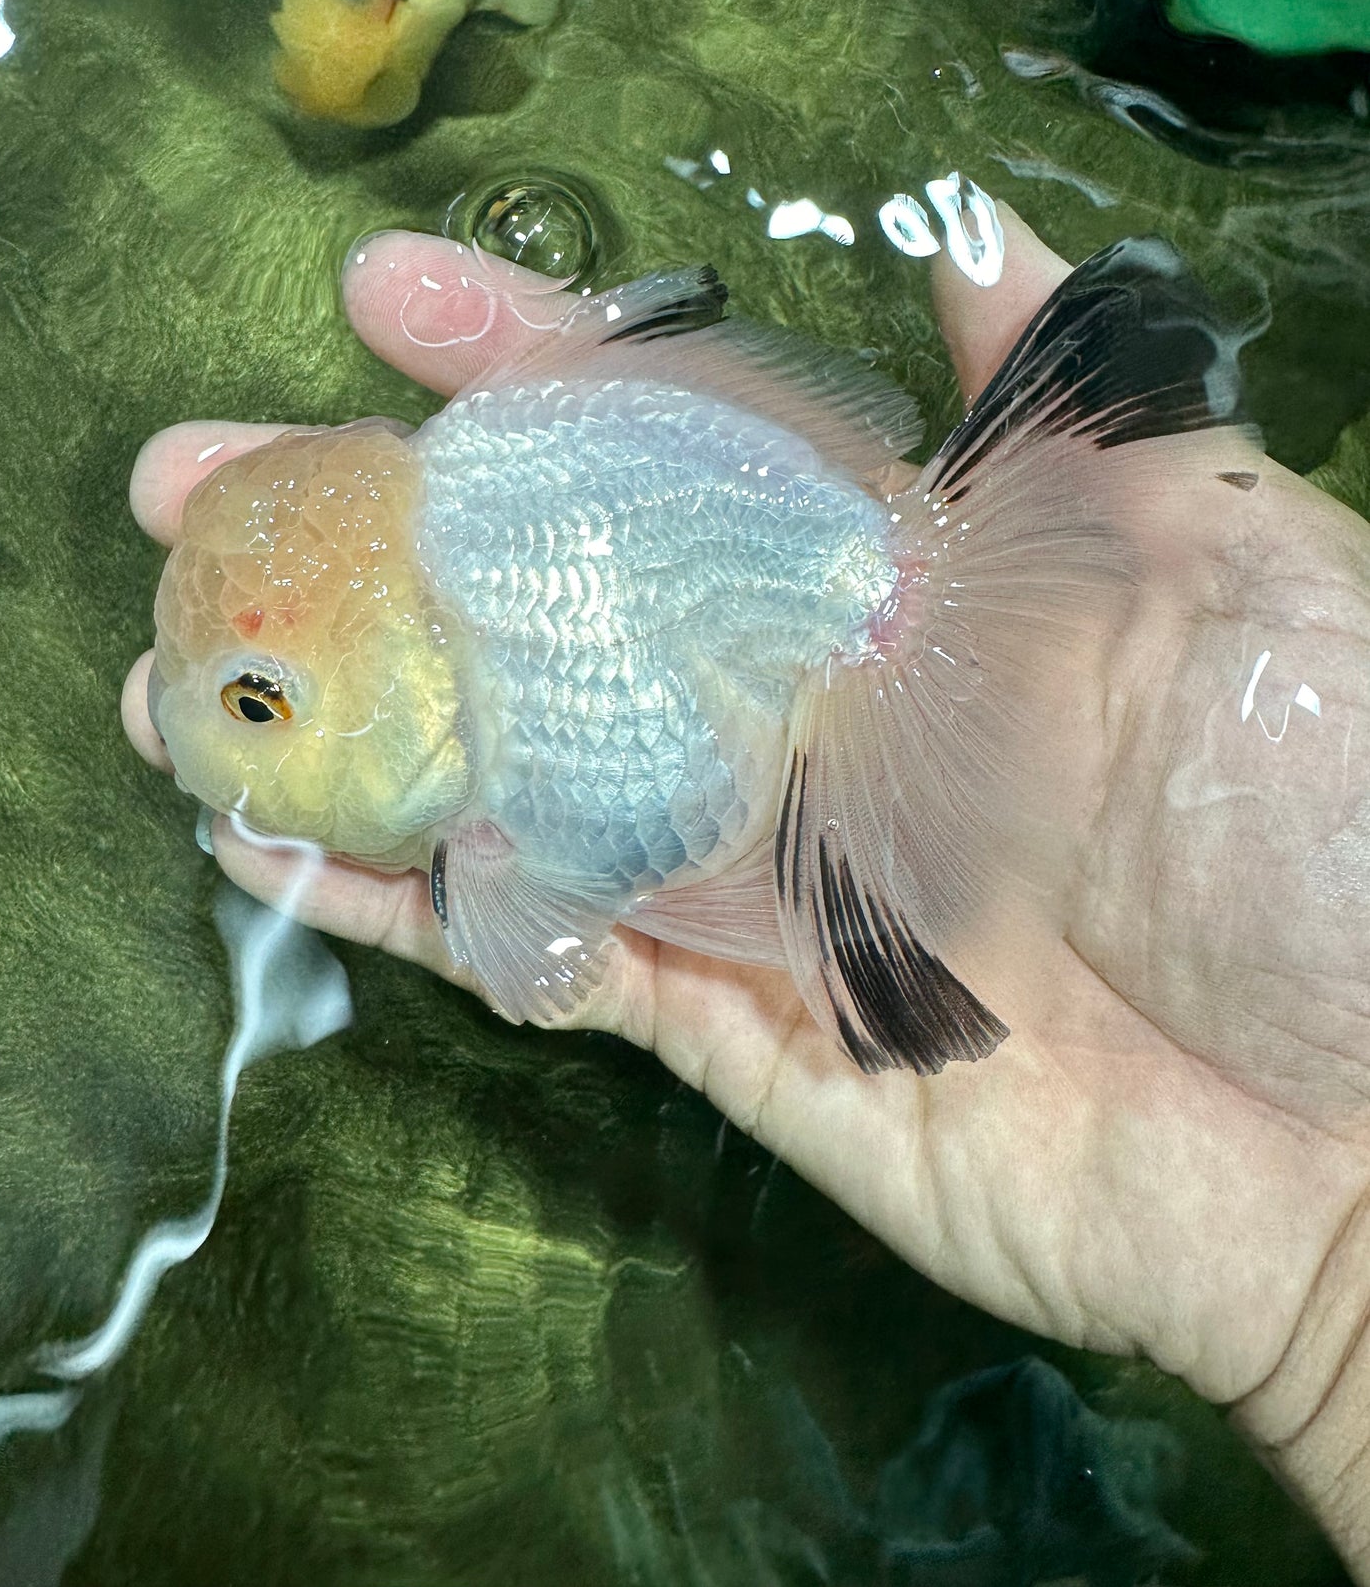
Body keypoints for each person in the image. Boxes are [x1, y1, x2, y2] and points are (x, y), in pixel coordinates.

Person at [122, 203, 1370, 1575]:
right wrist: (1326, 1314)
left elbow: (536, 950)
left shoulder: (490, 596)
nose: (224, 738)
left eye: (258, 704)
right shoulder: (483, 479)